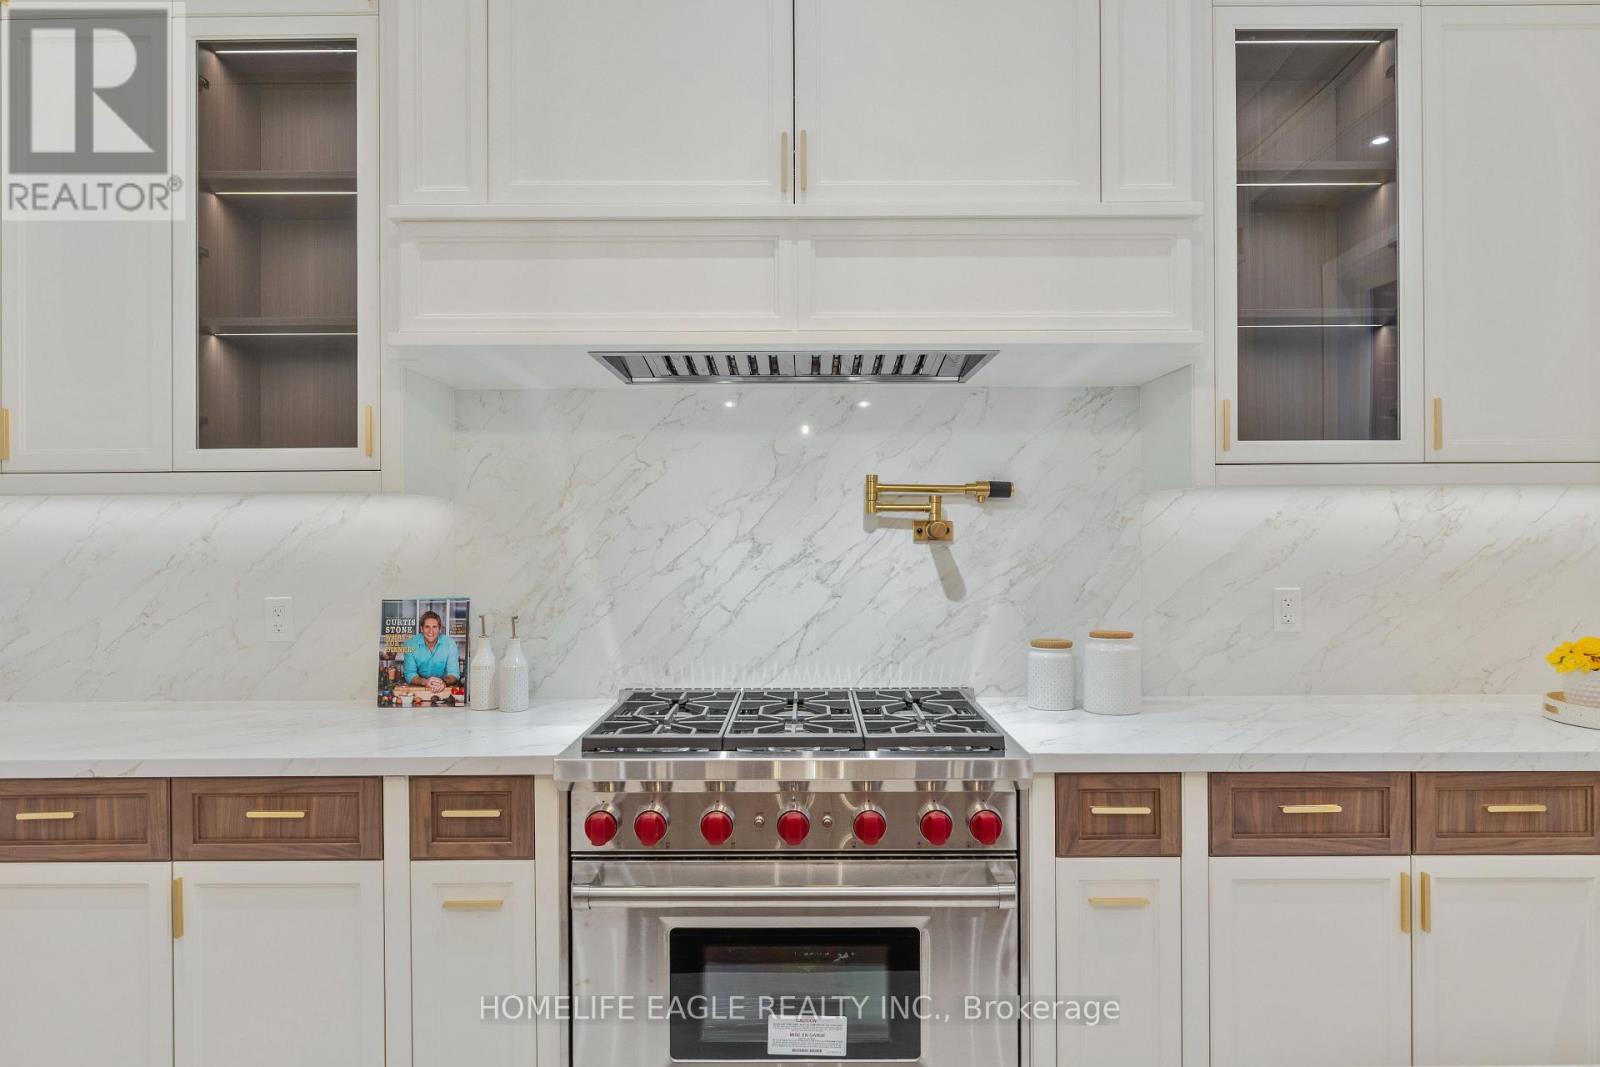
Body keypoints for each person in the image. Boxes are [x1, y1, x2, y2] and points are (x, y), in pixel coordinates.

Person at [403, 611, 462, 694]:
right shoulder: (410, 644)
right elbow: (410, 674)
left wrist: (443, 682)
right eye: (427, 627)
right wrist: (425, 682)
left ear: (439, 629)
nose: (431, 631)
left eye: (434, 627)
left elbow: (454, 673)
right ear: (421, 629)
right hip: (419, 689)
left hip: (443, 688)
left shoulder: (450, 643)